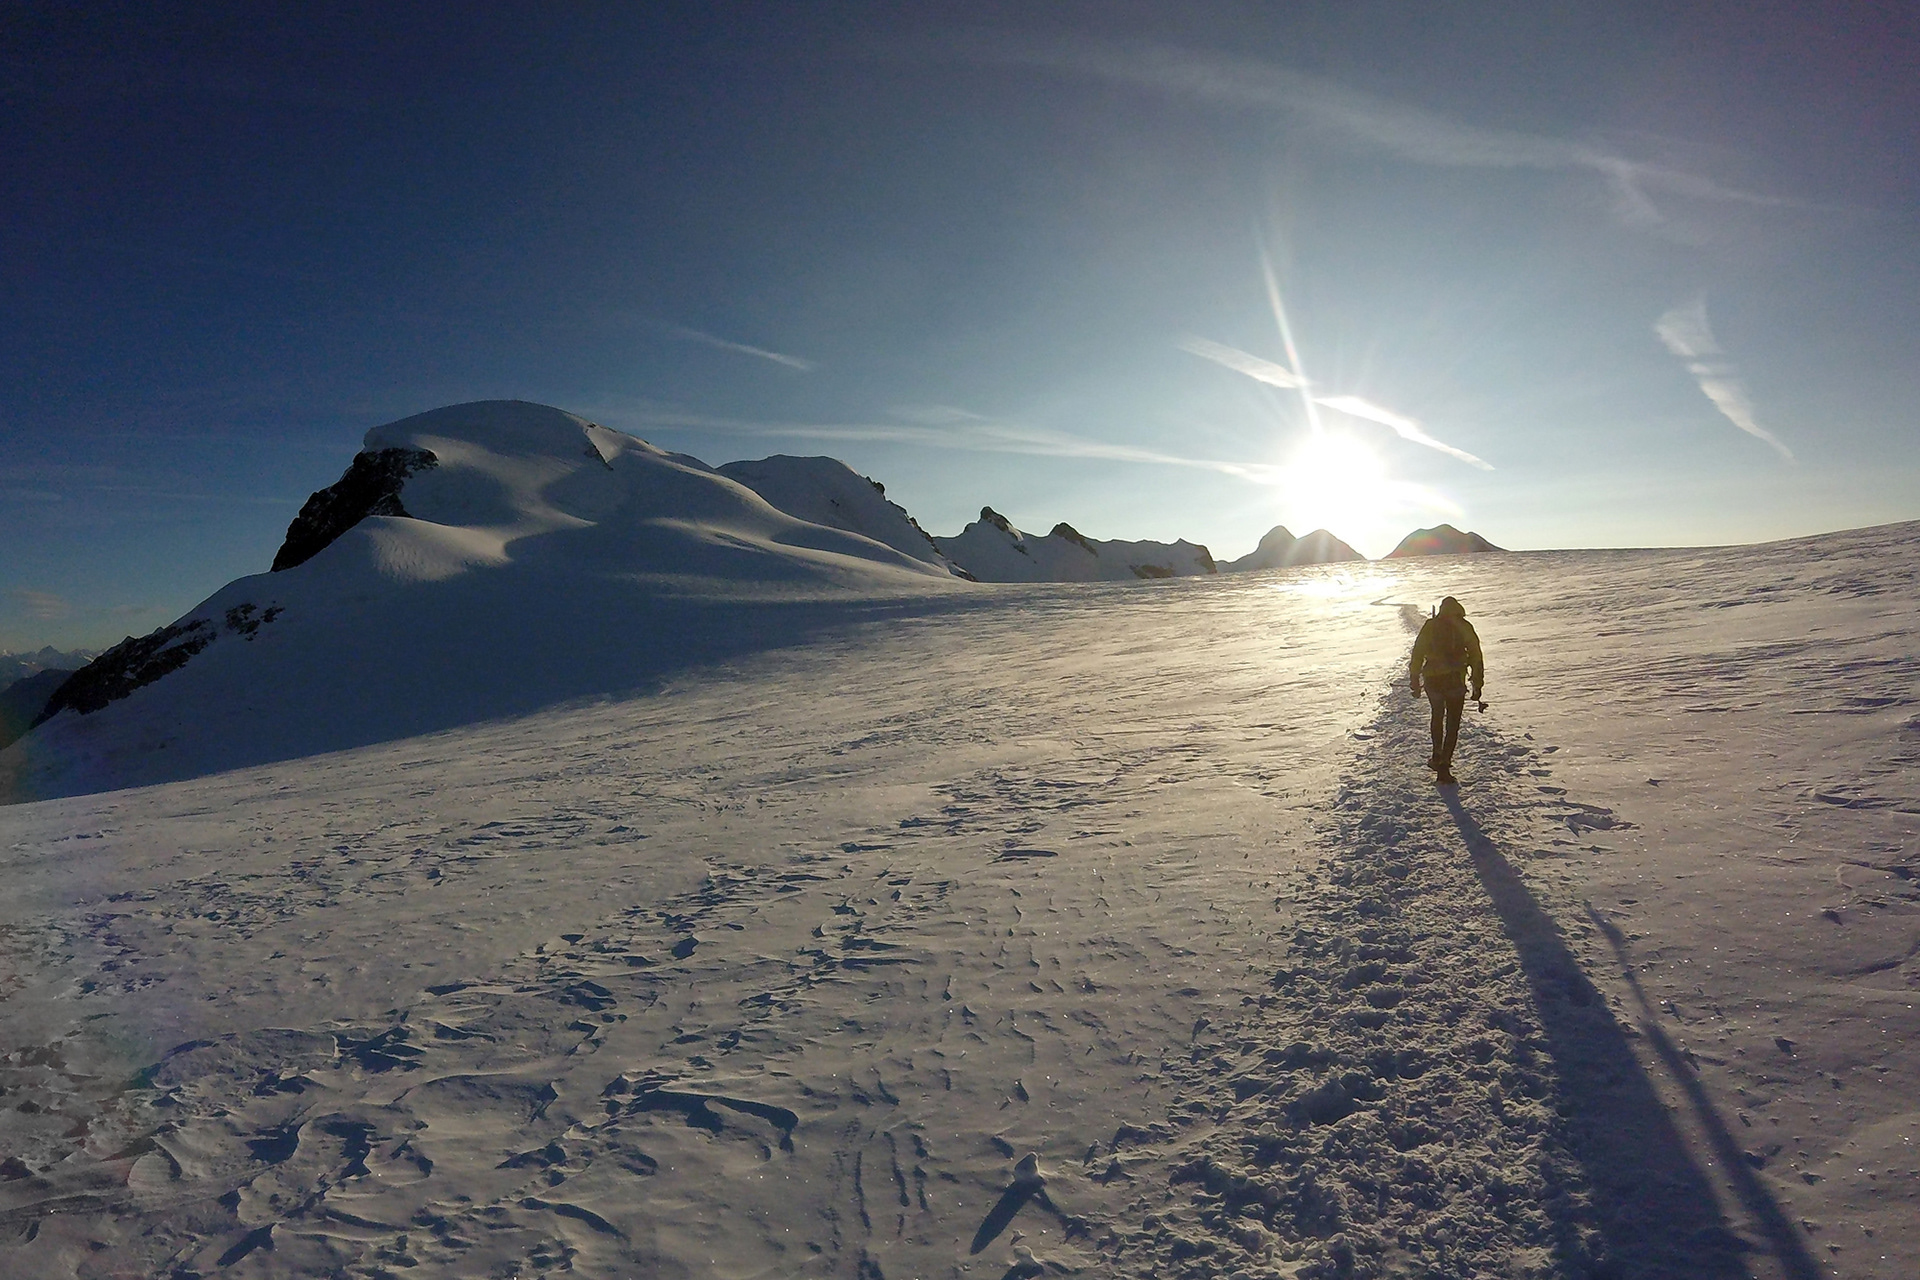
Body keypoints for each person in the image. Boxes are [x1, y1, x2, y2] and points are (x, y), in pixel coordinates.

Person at [1409, 596, 1484, 786]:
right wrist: (1477, 683)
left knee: (1437, 716)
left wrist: (1414, 680)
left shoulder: (1430, 625)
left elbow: (1417, 652)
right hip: (1455, 682)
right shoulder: (1464, 626)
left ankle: (1436, 755)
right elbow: (1476, 656)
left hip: (1433, 680)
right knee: (1452, 724)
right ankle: (1444, 764)